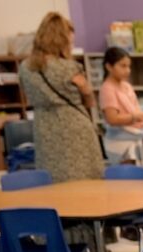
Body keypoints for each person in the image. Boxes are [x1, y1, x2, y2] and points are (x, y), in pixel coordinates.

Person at [18, 12, 104, 182]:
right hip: (73, 127)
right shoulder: (69, 68)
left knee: (51, 179)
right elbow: (89, 102)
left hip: (43, 126)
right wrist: (87, 91)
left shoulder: (25, 67)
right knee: (82, 177)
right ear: (61, 40)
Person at [99, 46, 143, 167]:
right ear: (109, 67)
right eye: (123, 66)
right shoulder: (107, 89)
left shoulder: (127, 86)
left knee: (141, 174)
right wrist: (135, 117)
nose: (127, 70)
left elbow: (135, 110)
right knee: (128, 175)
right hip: (121, 140)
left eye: (129, 66)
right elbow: (112, 119)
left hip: (136, 134)